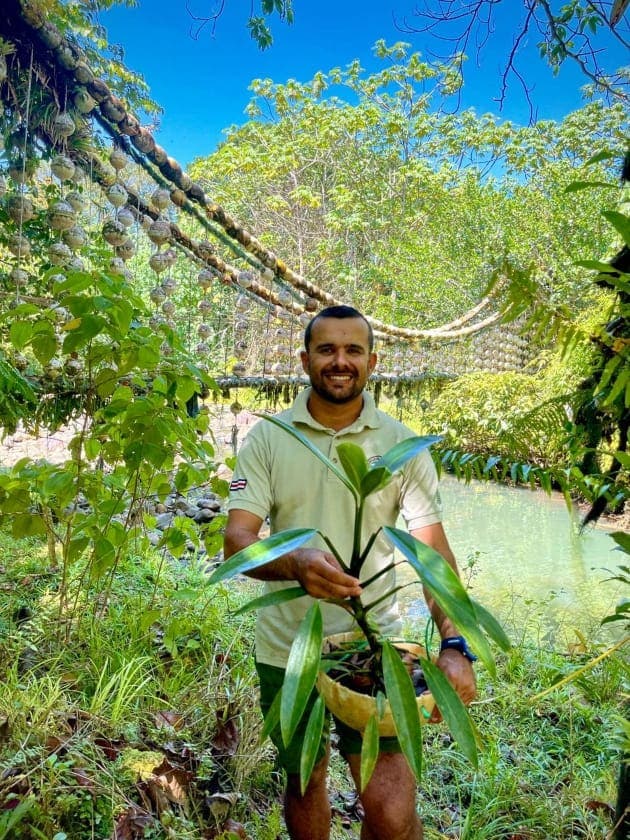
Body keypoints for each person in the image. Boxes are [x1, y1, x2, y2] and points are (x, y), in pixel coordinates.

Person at [223, 305, 477, 840]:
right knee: (304, 780)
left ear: (372, 361)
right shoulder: (270, 439)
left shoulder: (400, 446)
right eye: (327, 349)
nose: (340, 361)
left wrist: (455, 645)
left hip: (375, 641)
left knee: (389, 808)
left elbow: (431, 554)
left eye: (353, 350)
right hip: (291, 648)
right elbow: (236, 544)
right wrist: (296, 562)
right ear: (305, 360)